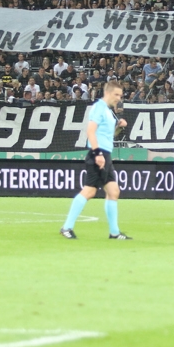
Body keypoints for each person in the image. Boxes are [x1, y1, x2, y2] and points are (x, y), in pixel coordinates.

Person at [60, 81, 130, 240]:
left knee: (113, 192)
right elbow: (90, 131)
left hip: (105, 154)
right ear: (108, 93)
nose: (119, 98)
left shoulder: (107, 111)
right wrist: (97, 153)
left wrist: (119, 126)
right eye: (116, 95)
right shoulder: (99, 107)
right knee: (90, 191)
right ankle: (67, 227)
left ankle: (114, 233)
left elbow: (108, 135)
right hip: (97, 154)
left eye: (120, 95)